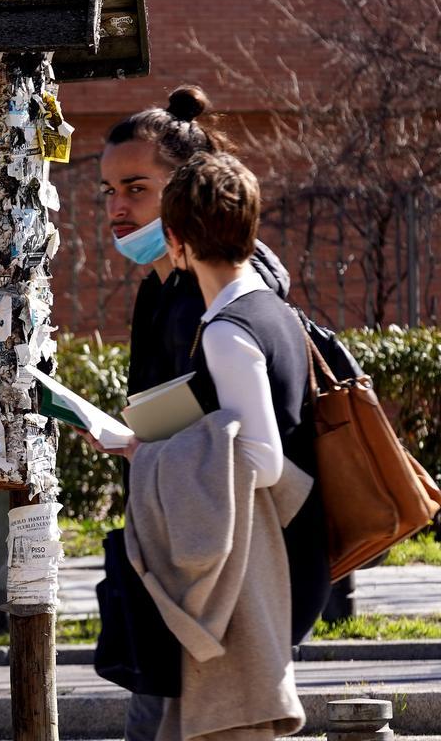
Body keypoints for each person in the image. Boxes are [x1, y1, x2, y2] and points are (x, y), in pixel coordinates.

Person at [95, 86, 323, 741]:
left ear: (184, 192)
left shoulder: (226, 309)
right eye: (109, 190)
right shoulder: (167, 290)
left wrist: (141, 447)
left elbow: (249, 450)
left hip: (223, 563)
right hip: (189, 548)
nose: (116, 208)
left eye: (135, 188)